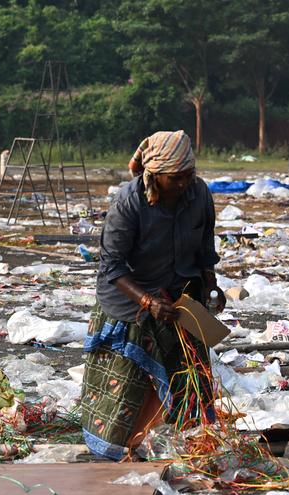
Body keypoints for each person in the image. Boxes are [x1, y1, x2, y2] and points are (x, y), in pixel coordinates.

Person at [80, 130, 225, 461]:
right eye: (175, 178)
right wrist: (147, 301)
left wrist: (210, 282)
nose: (183, 184)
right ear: (154, 175)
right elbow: (112, 267)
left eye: (189, 176)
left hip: (181, 297)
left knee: (191, 377)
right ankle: (127, 444)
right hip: (130, 302)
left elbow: (205, 244)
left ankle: (185, 441)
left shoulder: (199, 194)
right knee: (129, 385)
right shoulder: (129, 203)